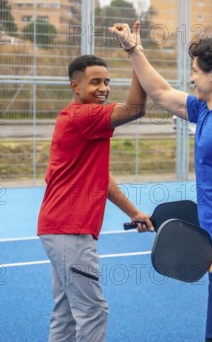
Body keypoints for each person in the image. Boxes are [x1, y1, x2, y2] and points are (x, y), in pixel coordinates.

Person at [110, 22, 212, 342]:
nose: (191, 78)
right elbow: (159, 92)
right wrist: (133, 49)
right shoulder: (205, 110)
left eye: (195, 71)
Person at [37, 50, 154, 342]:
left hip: (59, 229)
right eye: (95, 82)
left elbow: (101, 176)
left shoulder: (80, 121)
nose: (103, 88)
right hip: (70, 230)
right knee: (93, 311)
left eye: (106, 81)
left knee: (66, 314)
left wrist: (132, 212)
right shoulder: (82, 116)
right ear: (75, 87)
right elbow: (136, 108)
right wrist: (135, 54)